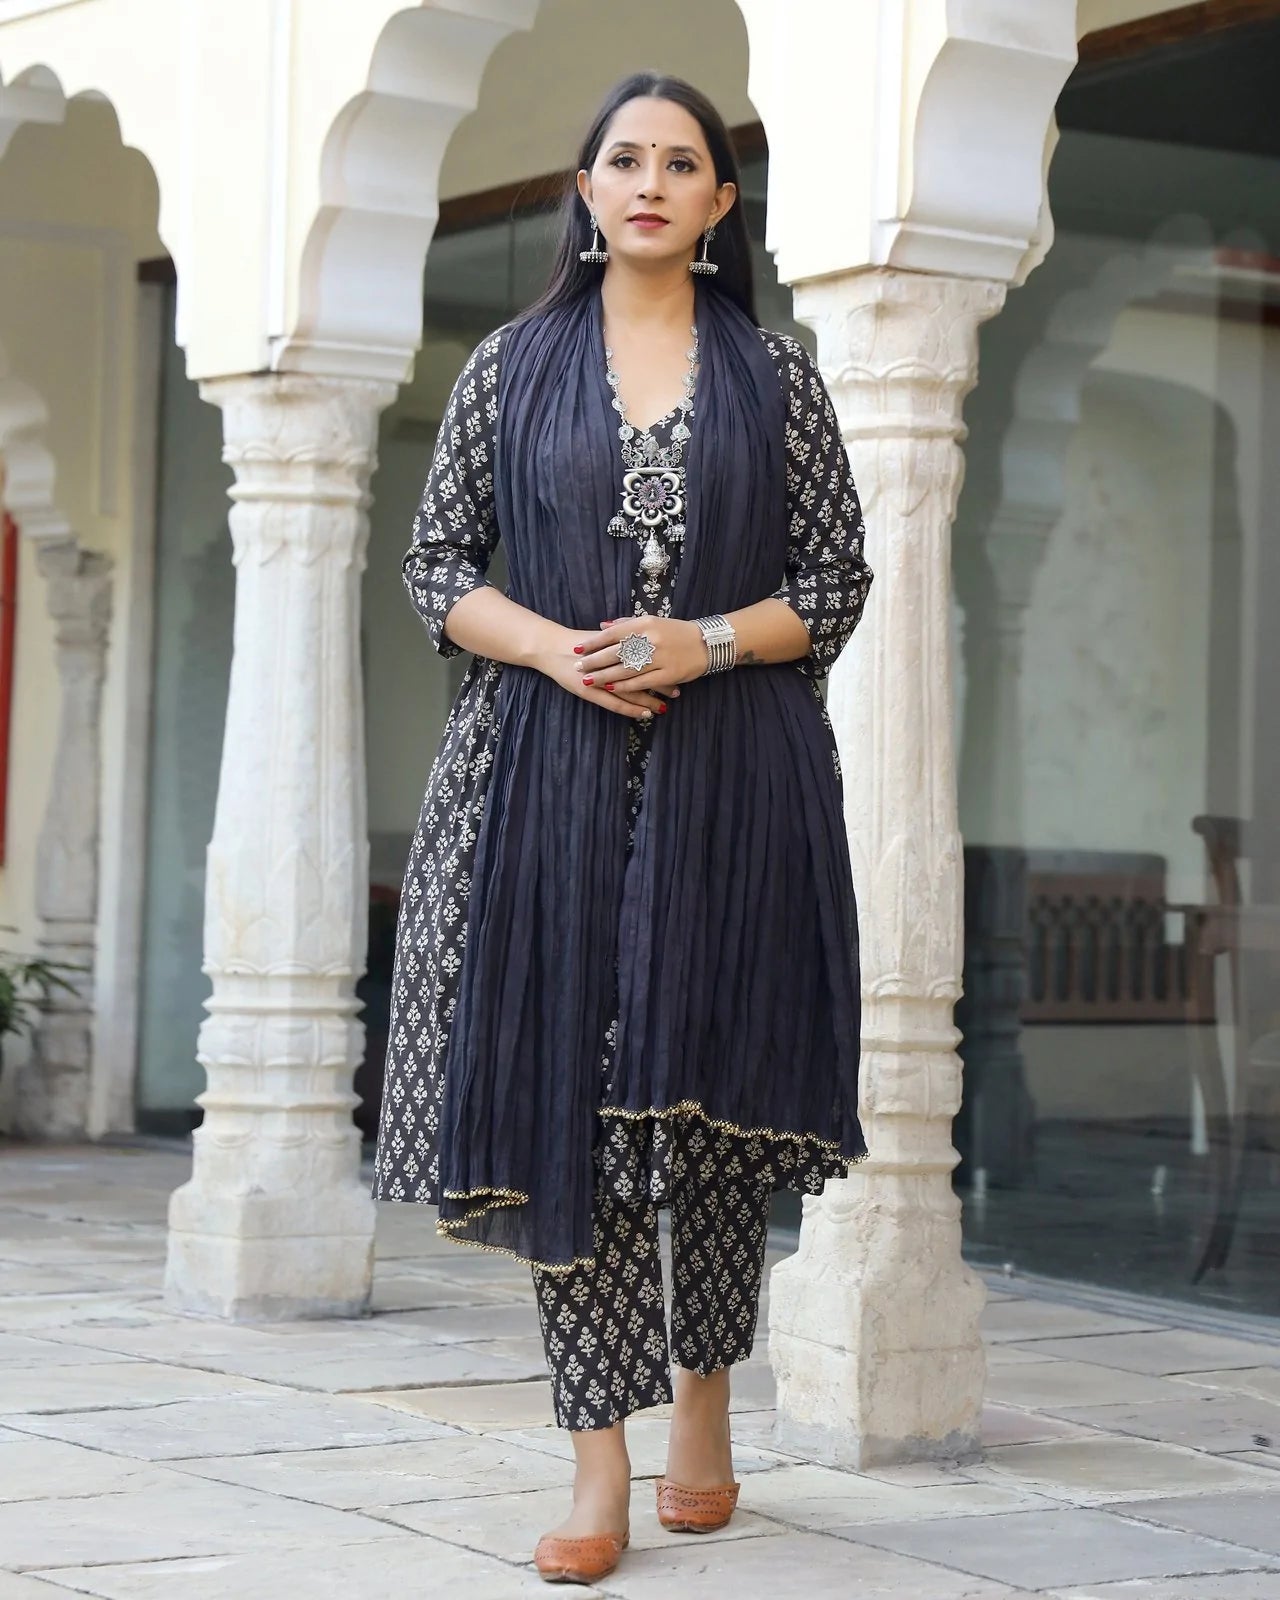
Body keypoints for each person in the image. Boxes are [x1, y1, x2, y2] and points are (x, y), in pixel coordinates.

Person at [373, 70, 873, 1586]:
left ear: (721, 202)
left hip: (737, 786)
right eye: (624, 159)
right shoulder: (507, 368)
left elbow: (833, 583)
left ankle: (704, 1405)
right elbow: (436, 566)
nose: (650, 182)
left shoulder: (779, 380)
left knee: (709, 1105)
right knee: (567, 1105)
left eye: (682, 163)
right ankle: (599, 1460)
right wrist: (556, 651)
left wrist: (697, 644)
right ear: (586, 190)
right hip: (542, 782)